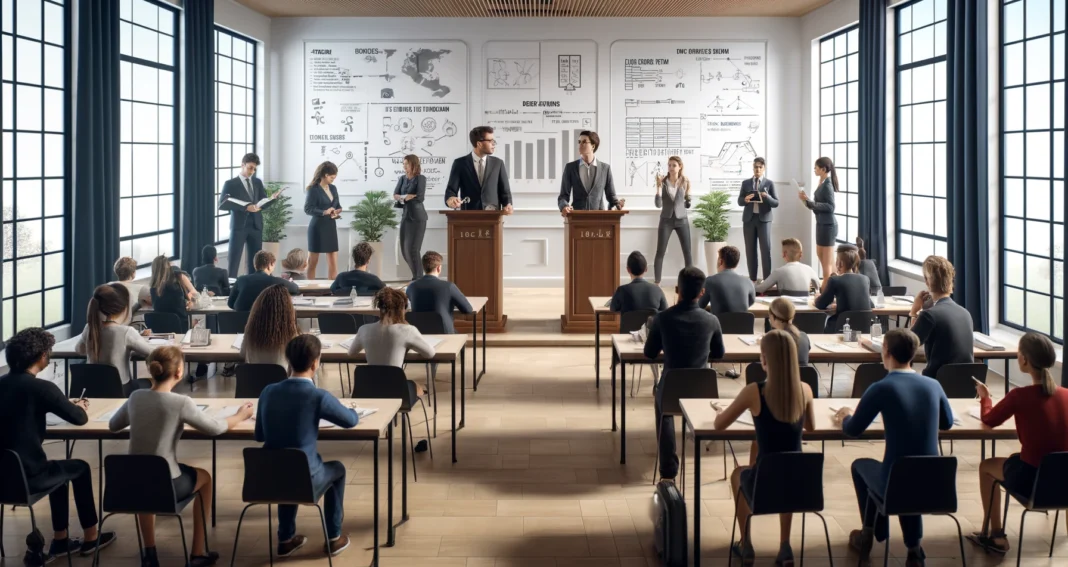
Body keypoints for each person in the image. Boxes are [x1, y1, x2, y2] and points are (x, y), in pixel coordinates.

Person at [108, 346, 253, 567]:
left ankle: (149, 553)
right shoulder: (181, 403)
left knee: (144, 476)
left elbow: (113, 425)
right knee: (204, 478)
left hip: (129, 483)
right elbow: (215, 428)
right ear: (179, 372)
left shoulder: (136, 396)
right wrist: (240, 415)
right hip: (166, 484)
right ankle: (197, 552)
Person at [835, 328, 953, 567]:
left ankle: (869, 534)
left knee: (862, 467)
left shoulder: (881, 387)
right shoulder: (933, 385)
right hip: (935, 483)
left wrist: (845, 416)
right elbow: (947, 423)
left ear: (885, 351)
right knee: (910, 473)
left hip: (896, 484)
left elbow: (854, 429)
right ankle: (913, 548)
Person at [0, 328, 117, 565]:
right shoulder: (42, 388)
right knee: (80, 467)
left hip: (3, 476)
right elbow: (78, 418)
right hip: (30, 475)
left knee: (59, 471)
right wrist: (80, 407)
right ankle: (90, 537)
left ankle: (61, 539)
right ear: (42, 357)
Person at [713, 330, 815, 566]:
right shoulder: (805, 390)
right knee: (785, 470)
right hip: (800, 483)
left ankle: (746, 543)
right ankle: (785, 545)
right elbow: (810, 427)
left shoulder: (755, 391)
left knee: (738, 474)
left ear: (765, 360)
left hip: (764, 483)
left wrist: (720, 411)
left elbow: (720, 425)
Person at [256, 335, 358, 558]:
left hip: (267, 479)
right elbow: (350, 421)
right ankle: (333, 537)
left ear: (289, 362)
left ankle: (285, 538)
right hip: (305, 479)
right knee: (337, 469)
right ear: (315, 363)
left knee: (285, 462)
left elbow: (259, 434)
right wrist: (353, 409)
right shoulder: (317, 395)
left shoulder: (268, 391)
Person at [968, 332, 1068, 554]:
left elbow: (989, 419)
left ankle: (996, 536)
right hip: (1063, 482)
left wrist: (985, 397)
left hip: (1031, 481)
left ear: (1024, 360)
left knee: (986, 467)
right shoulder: (1066, 395)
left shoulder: (1019, 395)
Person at [643, 266, 725, 481]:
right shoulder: (712, 321)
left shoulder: (662, 319)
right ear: (701, 292)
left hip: (671, 386)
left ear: (677, 289)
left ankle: (668, 470)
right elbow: (719, 353)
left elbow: (649, 353)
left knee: (664, 409)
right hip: (702, 389)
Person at [348, 287, 435, 403]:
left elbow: (351, 353)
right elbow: (430, 353)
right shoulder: (407, 330)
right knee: (418, 387)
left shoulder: (364, 330)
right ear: (402, 309)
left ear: (379, 308)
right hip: (397, 390)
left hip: (368, 389)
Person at [75, 283, 158, 396]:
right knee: (153, 381)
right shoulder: (126, 332)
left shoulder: (89, 327)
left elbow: (79, 350)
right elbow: (152, 352)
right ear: (124, 309)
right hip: (120, 389)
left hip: (92, 388)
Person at [909, 255, 974, 378]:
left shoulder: (929, 315)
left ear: (927, 281)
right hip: (966, 384)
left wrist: (914, 312)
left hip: (937, 383)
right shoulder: (965, 313)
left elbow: (907, 346)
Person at [218, 153, 278, 277]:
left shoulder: (257, 182)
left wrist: (272, 199)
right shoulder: (230, 184)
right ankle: (230, 289)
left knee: (256, 262)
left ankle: (254, 286)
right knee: (234, 261)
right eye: (250, 167)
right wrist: (245, 207)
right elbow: (222, 205)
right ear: (242, 165)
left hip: (256, 226)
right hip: (239, 226)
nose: (252, 171)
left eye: (255, 169)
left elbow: (262, 201)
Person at [445, 126, 513, 214]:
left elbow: (505, 191)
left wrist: (508, 204)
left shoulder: (498, 163)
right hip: (468, 217)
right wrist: (451, 200)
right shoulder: (460, 163)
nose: (494, 144)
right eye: (490, 141)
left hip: (493, 217)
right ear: (479, 144)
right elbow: (450, 191)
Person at [406, 251, 474, 334]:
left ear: (424, 267)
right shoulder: (448, 286)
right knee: (460, 339)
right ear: (439, 268)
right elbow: (468, 310)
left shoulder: (411, 287)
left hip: (419, 334)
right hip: (444, 332)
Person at [558, 130, 624, 214]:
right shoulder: (570, 168)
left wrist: (617, 206)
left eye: (584, 142)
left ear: (593, 146)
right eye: (579, 142)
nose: (580, 145)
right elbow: (563, 196)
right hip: (576, 218)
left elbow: (611, 197)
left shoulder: (605, 169)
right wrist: (564, 206)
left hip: (600, 219)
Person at [652, 156, 693, 284]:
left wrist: (689, 199)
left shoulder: (685, 181)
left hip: (682, 220)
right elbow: (658, 205)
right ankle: (657, 283)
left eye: (674, 165)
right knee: (660, 252)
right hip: (666, 220)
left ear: (680, 166)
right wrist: (658, 188)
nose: (671, 168)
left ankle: (690, 284)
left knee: (687, 252)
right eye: (669, 165)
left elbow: (687, 203)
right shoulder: (663, 182)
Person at [799, 157, 838, 291]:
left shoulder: (827, 184)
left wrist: (811, 203)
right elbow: (818, 205)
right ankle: (834, 286)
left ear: (823, 169)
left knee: (826, 263)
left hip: (828, 226)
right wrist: (807, 201)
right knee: (822, 256)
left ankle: (824, 291)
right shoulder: (821, 181)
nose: (814, 170)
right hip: (821, 224)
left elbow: (831, 207)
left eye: (816, 167)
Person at [738, 157, 779, 282]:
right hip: (749, 220)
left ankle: (767, 281)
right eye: (756, 167)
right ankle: (753, 280)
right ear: (753, 167)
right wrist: (745, 200)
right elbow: (740, 201)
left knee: (765, 250)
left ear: (764, 168)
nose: (758, 169)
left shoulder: (769, 183)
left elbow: (776, 203)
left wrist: (767, 197)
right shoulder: (746, 183)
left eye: (760, 167)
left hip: (764, 220)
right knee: (750, 250)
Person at [813, 247, 873, 332]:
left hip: (842, 327)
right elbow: (871, 305)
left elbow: (820, 304)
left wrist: (816, 298)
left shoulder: (835, 280)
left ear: (840, 263)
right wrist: (841, 304)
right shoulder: (865, 279)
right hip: (864, 328)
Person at [241, 284, 301, 369]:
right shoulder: (290, 333)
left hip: (254, 381)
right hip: (281, 380)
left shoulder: (250, 329)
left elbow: (243, 353)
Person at [304, 161, 343, 280]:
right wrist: (324, 212)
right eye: (332, 177)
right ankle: (309, 289)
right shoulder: (313, 189)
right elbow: (307, 209)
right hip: (317, 227)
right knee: (312, 262)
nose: (333, 179)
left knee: (333, 263)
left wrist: (337, 211)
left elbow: (337, 205)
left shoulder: (333, 188)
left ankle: (332, 289)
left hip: (330, 226)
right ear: (325, 175)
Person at [228, 250, 300, 312]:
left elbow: (230, 304)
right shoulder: (276, 281)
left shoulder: (241, 279)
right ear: (270, 264)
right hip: (267, 325)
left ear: (255, 265)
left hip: (240, 325)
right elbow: (295, 289)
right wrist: (290, 282)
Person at [393, 154, 428, 279]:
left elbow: (420, 197)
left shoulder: (420, 178)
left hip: (418, 217)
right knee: (404, 249)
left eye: (406, 163)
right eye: (403, 164)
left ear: (413, 164)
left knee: (414, 249)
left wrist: (406, 197)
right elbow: (396, 194)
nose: (404, 166)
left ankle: (418, 278)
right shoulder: (402, 178)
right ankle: (416, 275)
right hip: (406, 216)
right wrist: (406, 197)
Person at [699, 246, 756, 315]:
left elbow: (700, 305)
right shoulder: (748, 282)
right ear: (736, 264)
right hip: (742, 325)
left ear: (720, 261)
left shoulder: (710, 281)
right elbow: (751, 302)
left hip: (718, 325)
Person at [754, 238, 821, 295]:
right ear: (801, 254)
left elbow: (761, 289)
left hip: (785, 308)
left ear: (784, 254)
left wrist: (749, 284)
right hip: (805, 308)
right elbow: (818, 287)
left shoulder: (778, 272)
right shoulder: (809, 270)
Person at [149, 255, 196, 332]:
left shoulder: (153, 289)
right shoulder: (176, 287)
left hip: (159, 330)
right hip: (179, 327)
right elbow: (182, 306)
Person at [767, 297, 811, 365]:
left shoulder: (772, 340)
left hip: (779, 375)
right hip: (804, 375)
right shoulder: (804, 336)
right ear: (792, 316)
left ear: (772, 317)